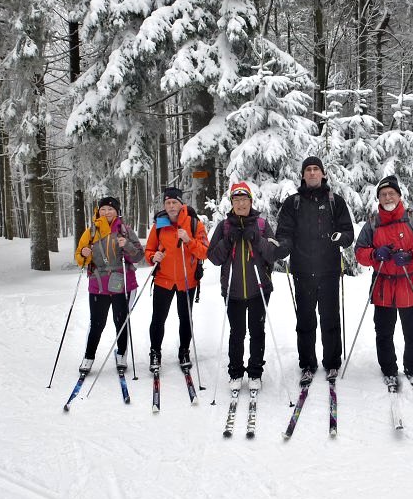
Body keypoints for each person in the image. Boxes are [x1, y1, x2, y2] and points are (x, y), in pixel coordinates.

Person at [275, 156, 354, 384]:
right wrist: (283, 247)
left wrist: (342, 238)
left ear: (323, 174)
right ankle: (307, 364)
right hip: (302, 271)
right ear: (302, 175)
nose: (311, 173)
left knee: (330, 319)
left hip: (329, 271)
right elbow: (284, 233)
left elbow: (347, 231)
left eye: (315, 169)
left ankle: (332, 363)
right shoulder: (293, 203)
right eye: (308, 170)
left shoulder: (335, 201)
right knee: (306, 321)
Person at [354, 175, 413, 389]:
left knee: (412, 332)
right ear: (378, 199)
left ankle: (412, 369)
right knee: (383, 332)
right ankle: (389, 370)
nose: (388, 197)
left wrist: (411, 256)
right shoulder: (372, 223)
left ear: (399, 195)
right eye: (383, 194)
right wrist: (374, 254)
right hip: (383, 285)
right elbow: (360, 253)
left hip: (409, 282)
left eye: (391, 193)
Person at [207, 182, 281, 391]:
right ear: (231, 203)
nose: (240, 204)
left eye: (244, 200)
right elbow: (213, 257)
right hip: (233, 290)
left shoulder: (261, 224)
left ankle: (255, 372)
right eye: (236, 200)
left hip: (259, 288)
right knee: (236, 333)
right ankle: (236, 372)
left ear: (251, 201)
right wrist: (228, 240)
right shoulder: (224, 226)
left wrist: (257, 238)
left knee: (257, 331)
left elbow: (273, 254)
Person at [74, 196, 144, 375]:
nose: (107, 212)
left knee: (121, 321)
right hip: (98, 284)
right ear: (98, 211)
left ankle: (122, 354)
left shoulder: (125, 230)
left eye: (111, 209)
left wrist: (126, 245)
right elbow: (80, 259)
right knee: (97, 323)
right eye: (103, 209)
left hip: (122, 284)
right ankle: (88, 357)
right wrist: (84, 252)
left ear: (117, 211)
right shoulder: (90, 232)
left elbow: (138, 257)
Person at [144, 187, 209, 372]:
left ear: (181, 204)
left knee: (185, 319)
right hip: (163, 280)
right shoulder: (159, 224)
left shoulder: (194, 223)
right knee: (158, 319)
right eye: (168, 202)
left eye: (174, 202)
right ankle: (155, 352)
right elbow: (148, 250)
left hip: (187, 281)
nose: (171, 206)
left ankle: (184, 351)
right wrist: (152, 257)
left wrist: (189, 240)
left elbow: (205, 252)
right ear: (164, 204)